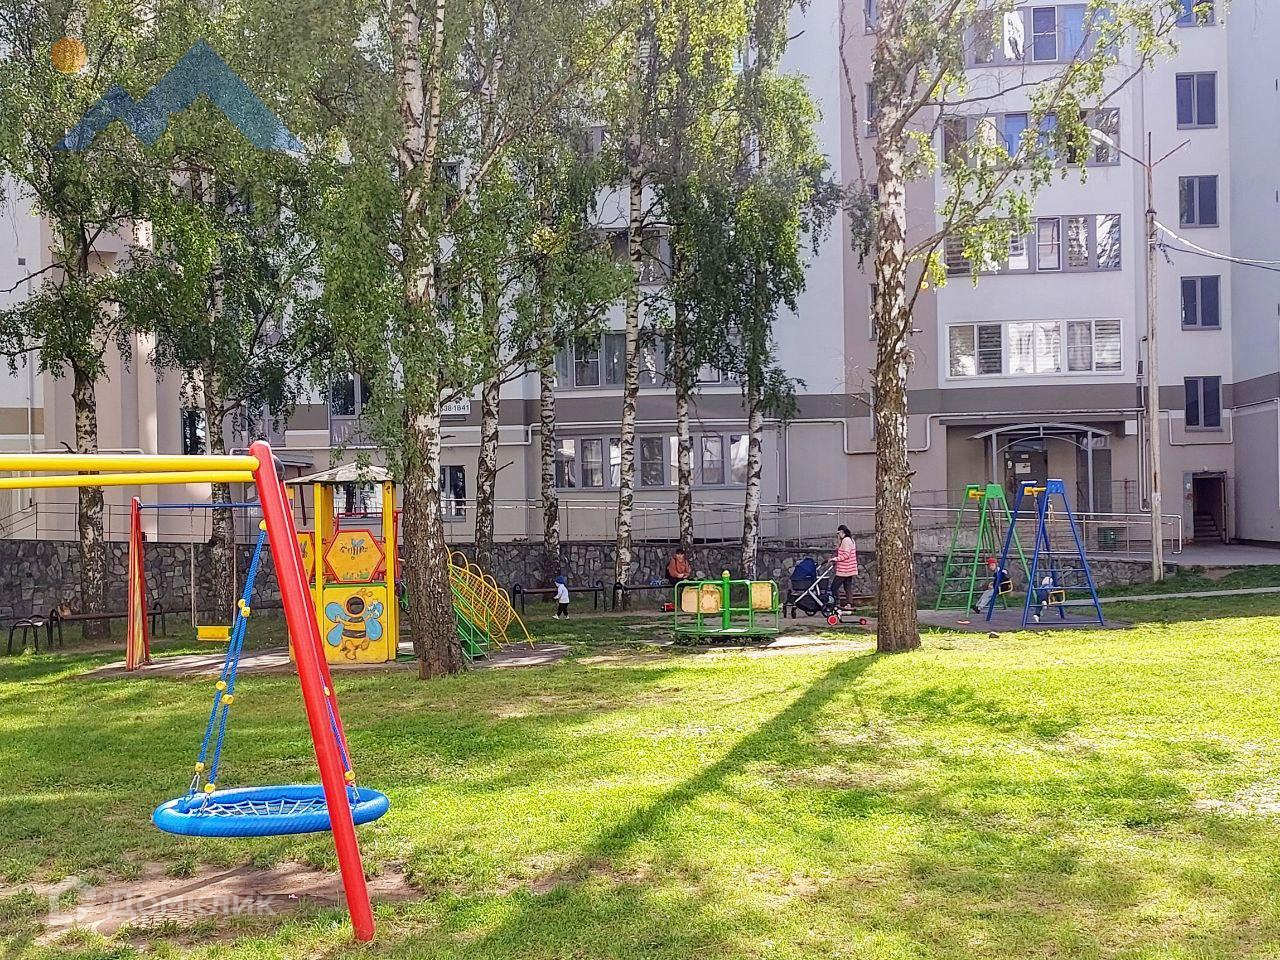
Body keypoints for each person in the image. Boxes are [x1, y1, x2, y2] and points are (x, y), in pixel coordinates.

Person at [831, 525, 858, 609]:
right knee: (847, 587)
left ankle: (836, 603)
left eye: (838, 533)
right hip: (850, 569)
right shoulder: (851, 540)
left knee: (834, 587)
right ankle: (849, 604)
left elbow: (846, 555)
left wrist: (835, 559)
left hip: (844, 569)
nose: (838, 535)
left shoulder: (846, 541)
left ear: (842, 532)